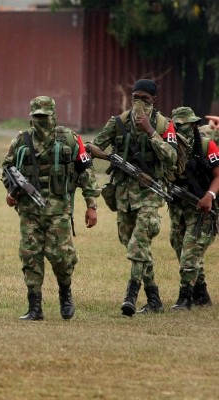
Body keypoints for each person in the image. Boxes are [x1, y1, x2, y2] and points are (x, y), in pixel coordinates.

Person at [2, 96, 99, 321]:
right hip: (29, 212)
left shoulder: (70, 139)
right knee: (30, 257)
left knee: (63, 258)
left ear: (53, 116)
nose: (41, 121)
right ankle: (34, 307)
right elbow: (7, 168)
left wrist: (91, 205)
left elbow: (86, 173)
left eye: (44, 117)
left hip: (59, 211)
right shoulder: (21, 140)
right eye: (37, 117)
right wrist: (11, 191)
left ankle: (65, 294)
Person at [88, 79, 178, 316]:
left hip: (150, 192)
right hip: (124, 193)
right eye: (135, 98)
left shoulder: (163, 124)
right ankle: (154, 299)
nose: (139, 103)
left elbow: (172, 157)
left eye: (145, 99)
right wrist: (105, 156)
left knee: (139, 244)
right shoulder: (118, 122)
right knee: (132, 244)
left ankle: (131, 294)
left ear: (154, 100)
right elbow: (93, 146)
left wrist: (150, 131)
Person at [166, 107, 218, 310]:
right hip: (178, 210)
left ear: (195, 125)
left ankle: (185, 298)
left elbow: (218, 175)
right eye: (178, 125)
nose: (182, 129)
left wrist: (209, 196)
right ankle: (201, 294)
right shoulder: (168, 148)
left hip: (203, 210)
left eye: (187, 125)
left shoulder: (206, 145)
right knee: (181, 248)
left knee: (190, 254)